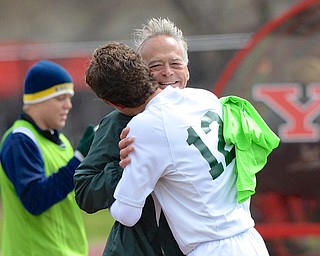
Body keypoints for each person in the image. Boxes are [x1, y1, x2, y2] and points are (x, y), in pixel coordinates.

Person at [84, 41, 280, 256]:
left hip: (211, 247)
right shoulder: (205, 98)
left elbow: (127, 214)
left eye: (175, 62)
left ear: (115, 104)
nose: (168, 71)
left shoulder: (143, 127)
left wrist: (130, 172)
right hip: (249, 238)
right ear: (145, 73)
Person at [74, 18, 188, 256]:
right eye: (156, 65)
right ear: (140, 72)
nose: (168, 72)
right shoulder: (119, 122)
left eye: (175, 63)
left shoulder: (203, 112)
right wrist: (123, 166)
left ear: (187, 68)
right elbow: (85, 191)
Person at [0, 60, 95, 256]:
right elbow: (36, 199)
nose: (68, 105)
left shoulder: (59, 140)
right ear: (37, 99)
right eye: (60, 98)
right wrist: (79, 158)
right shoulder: (20, 140)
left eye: (69, 98)